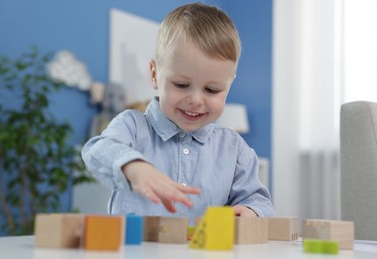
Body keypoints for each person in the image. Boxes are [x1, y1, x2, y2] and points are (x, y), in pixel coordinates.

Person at [82, 2, 274, 223]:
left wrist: (250, 211)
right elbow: (96, 151)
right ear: (155, 75)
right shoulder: (132, 126)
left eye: (212, 90)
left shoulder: (234, 149)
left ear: (229, 85)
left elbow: (259, 201)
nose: (195, 100)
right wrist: (133, 167)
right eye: (181, 85)